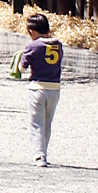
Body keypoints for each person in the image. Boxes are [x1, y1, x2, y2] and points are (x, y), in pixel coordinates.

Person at [22, 13, 63, 166]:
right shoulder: (57, 45)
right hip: (55, 89)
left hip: (37, 88)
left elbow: (22, 67)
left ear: (32, 31)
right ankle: (44, 151)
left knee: (36, 123)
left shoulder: (33, 46)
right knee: (47, 122)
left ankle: (40, 156)